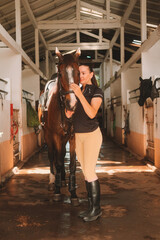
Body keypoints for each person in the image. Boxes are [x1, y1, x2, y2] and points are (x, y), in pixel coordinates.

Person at [66, 64, 103, 222]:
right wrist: (69, 110)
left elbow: (92, 113)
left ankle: (96, 209)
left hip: (92, 135)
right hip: (78, 136)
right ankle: (91, 207)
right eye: (78, 73)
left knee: (89, 171)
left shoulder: (96, 91)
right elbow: (70, 115)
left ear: (91, 74)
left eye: (83, 73)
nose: (80, 75)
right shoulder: (77, 91)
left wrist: (79, 95)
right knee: (85, 171)